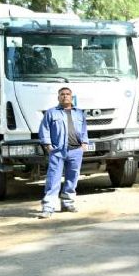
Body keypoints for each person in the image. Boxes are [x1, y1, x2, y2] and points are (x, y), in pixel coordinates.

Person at [38, 87, 89, 218]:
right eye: (62, 94)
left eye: (67, 94)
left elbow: (84, 129)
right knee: (53, 179)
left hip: (76, 150)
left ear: (71, 97)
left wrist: (84, 143)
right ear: (58, 97)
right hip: (58, 151)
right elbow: (44, 129)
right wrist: (48, 145)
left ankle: (67, 203)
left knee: (72, 178)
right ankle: (48, 207)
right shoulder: (51, 113)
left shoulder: (79, 113)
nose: (65, 96)